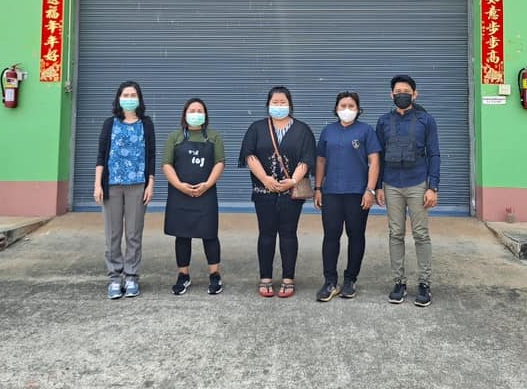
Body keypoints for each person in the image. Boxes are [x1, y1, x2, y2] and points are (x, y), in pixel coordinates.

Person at [238, 86, 316, 298]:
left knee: (289, 233)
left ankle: (288, 278)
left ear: (290, 104)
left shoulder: (302, 129)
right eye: (275, 102)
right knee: (266, 234)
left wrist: (292, 180)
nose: (279, 106)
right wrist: (265, 179)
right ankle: (265, 277)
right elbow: (249, 155)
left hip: (291, 193)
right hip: (263, 191)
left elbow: (307, 158)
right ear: (268, 104)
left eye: (283, 102)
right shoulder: (257, 128)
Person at [375, 74, 440, 307]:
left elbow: (434, 154)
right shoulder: (383, 121)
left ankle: (424, 283)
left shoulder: (426, 120)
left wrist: (433, 187)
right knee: (395, 234)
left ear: (415, 94)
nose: (401, 94)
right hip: (391, 185)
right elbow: (378, 156)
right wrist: (377, 187)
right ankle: (399, 282)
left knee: (421, 234)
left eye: (406, 90)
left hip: (417, 184)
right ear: (391, 95)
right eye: (397, 91)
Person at [313, 91, 381, 302]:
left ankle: (350, 279)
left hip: (357, 193)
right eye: (343, 106)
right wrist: (317, 188)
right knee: (330, 236)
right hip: (331, 192)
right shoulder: (328, 132)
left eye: (351, 106)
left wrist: (370, 190)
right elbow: (321, 161)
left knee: (356, 235)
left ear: (358, 110)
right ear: (336, 109)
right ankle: (330, 281)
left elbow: (375, 161)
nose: (347, 110)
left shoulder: (366, 131)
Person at [94, 80, 156, 299]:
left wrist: (151, 182)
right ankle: (114, 277)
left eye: (133, 95)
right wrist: (97, 183)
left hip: (138, 185)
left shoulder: (146, 124)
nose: (129, 99)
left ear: (139, 99)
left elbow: (151, 155)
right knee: (112, 233)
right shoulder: (109, 124)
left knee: (133, 233)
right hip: (112, 185)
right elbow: (101, 155)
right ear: (118, 98)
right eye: (125, 95)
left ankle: (131, 277)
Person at [161, 97, 226, 296]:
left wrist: (207, 184)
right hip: (179, 194)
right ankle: (183, 275)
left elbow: (220, 163)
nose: (196, 113)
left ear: (205, 115)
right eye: (192, 110)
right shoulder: (175, 137)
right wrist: (180, 185)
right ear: (185, 114)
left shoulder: (214, 137)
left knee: (210, 234)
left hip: (206, 193)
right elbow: (166, 164)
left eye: (200, 110)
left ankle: (214, 274)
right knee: (182, 235)